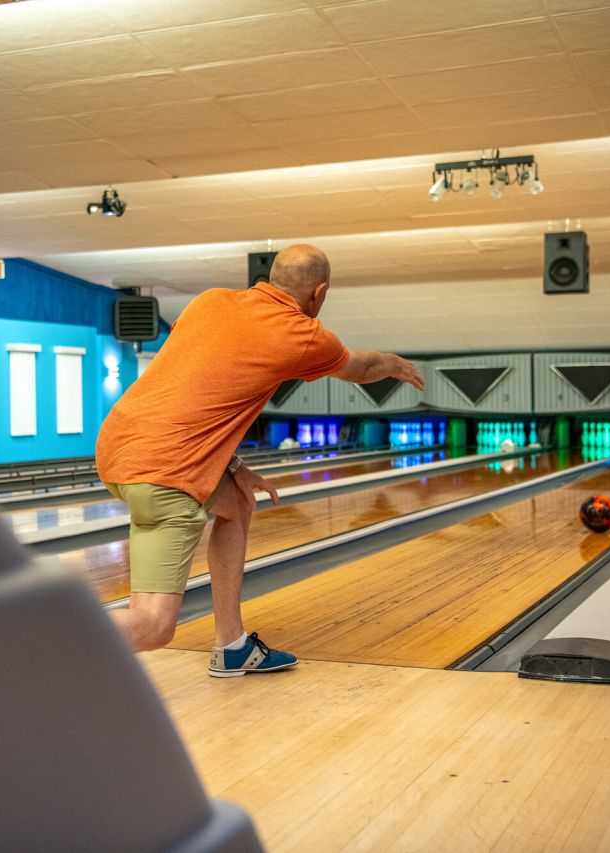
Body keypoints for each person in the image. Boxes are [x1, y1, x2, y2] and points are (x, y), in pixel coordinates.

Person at [95, 244, 425, 677]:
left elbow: (200, 384)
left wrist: (231, 467)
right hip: (167, 469)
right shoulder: (302, 334)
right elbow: (361, 368)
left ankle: (231, 645)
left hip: (119, 444)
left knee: (236, 503)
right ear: (318, 293)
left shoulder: (208, 300)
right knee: (154, 626)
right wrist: (396, 362)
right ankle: (21, 637)